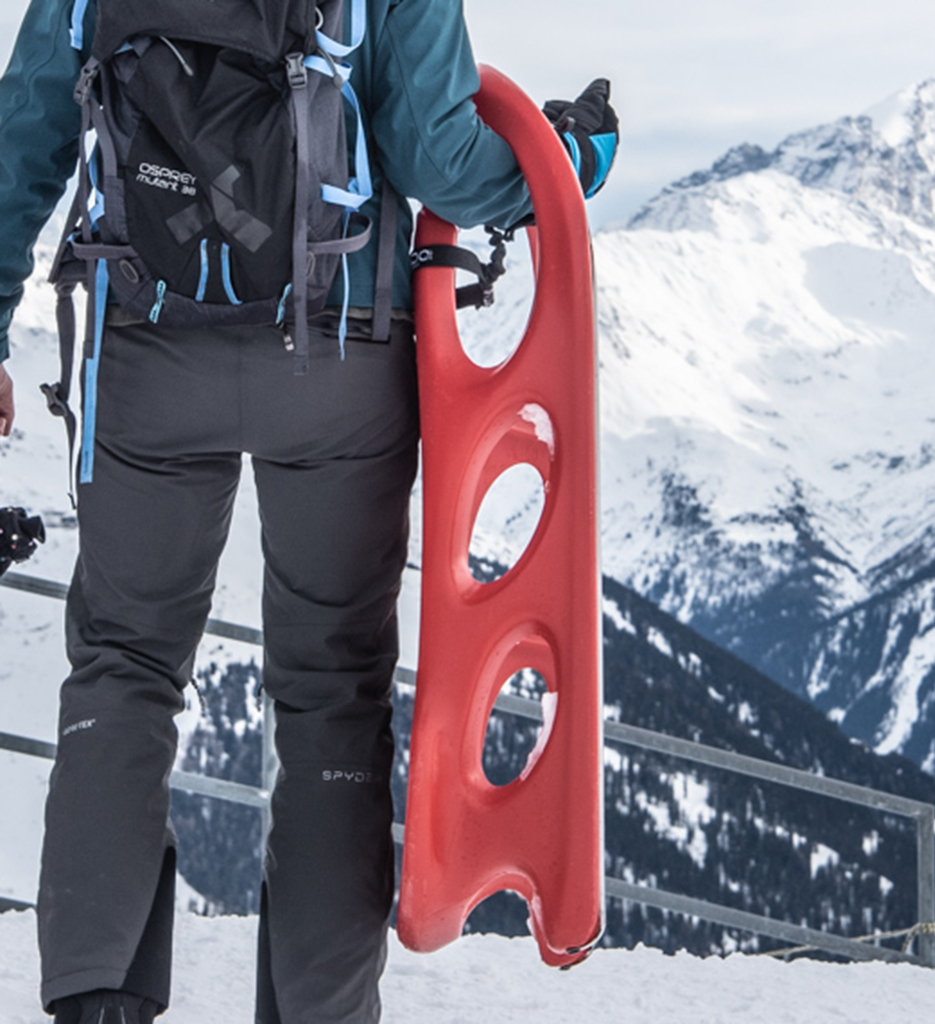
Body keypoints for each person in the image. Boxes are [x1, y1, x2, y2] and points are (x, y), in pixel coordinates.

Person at [0, 1, 618, 1021]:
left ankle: (97, 1001)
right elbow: (441, 160)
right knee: (333, 687)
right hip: (337, 354)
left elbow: (24, 139)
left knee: (123, 666)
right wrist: (567, 161)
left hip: (145, 349)